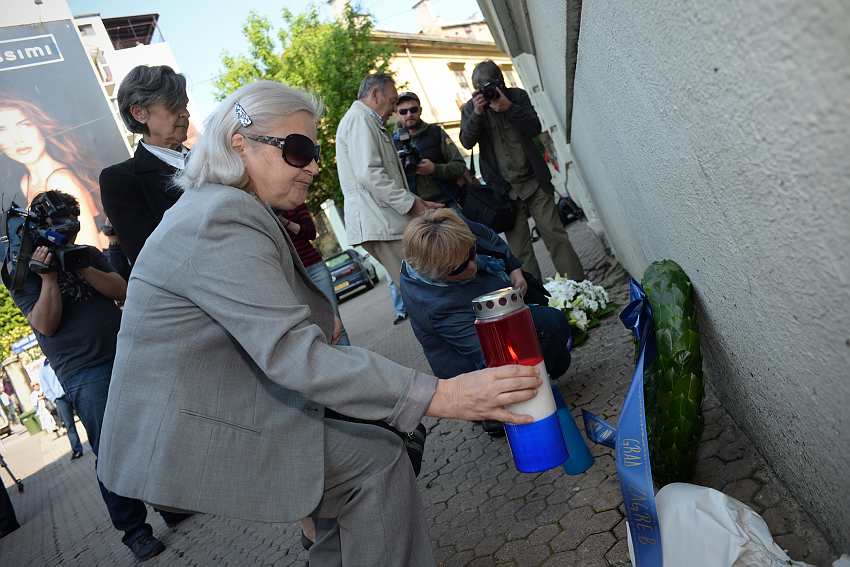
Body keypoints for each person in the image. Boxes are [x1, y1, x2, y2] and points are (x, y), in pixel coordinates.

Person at [95, 80, 542, 567]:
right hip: (191, 428)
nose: (312, 165)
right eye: (298, 150)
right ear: (239, 144)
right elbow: (293, 355)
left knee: (360, 470)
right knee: (375, 463)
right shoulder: (218, 217)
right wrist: (443, 395)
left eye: (314, 151)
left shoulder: (226, 205)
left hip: (215, 407)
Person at [4, 190, 180, 561]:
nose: (70, 225)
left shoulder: (86, 253)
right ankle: (135, 531)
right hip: (83, 371)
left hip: (124, 353)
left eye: (73, 218)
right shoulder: (22, 272)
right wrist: (49, 277)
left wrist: (80, 265)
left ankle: (169, 503)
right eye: (61, 220)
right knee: (112, 449)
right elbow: (45, 324)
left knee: (151, 433)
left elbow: (121, 290)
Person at [400, 208, 572, 389]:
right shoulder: (438, 308)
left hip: (493, 316)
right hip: (472, 375)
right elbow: (491, 358)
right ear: (436, 273)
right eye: (459, 268)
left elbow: (488, 237)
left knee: (551, 321)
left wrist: (513, 268)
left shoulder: (451, 230)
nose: (473, 266)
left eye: (472, 252)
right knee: (550, 325)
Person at [459, 60, 586, 282]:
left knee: (555, 236)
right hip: (505, 191)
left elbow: (534, 127)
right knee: (520, 252)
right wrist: (477, 114)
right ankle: (536, 297)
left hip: (534, 182)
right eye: (481, 88)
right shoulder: (471, 108)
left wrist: (508, 108)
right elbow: (466, 142)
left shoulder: (517, 96)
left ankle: (577, 286)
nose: (487, 92)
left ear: (501, 82)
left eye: (491, 85)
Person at [336, 73, 442, 286]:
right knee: (421, 289)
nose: (395, 109)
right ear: (376, 94)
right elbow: (370, 174)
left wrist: (415, 201)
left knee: (422, 286)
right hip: (381, 223)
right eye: (393, 101)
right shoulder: (360, 119)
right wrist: (411, 204)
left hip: (383, 221)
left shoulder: (365, 119)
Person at [99, 65, 191, 265]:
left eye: (185, 105)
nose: (185, 113)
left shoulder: (213, 159)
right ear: (139, 113)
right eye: (174, 106)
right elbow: (148, 259)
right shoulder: (120, 180)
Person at [0, 95, 106, 248]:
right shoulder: (26, 181)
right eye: (3, 130)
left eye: (24, 124)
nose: (17, 139)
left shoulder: (61, 181)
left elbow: (89, 251)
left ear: (40, 126)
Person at [278, 204, 350, 345]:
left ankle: (349, 358)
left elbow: (311, 233)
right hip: (293, 276)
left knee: (334, 321)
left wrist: (284, 221)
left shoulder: (293, 201)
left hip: (315, 268)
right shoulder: (261, 211)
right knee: (312, 326)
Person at [392, 91, 466, 207]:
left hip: (446, 201)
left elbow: (460, 166)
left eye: (413, 110)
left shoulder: (436, 132)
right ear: (396, 113)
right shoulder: (391, 142)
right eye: (403, 111)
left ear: (420, 110)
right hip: (416, 207)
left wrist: (434, 169)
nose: (409, 114)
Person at [40, 359, 84, 459]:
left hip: (72, 392)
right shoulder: (43, 370)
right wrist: (55, 399)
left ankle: (97, 443)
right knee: (69, 425)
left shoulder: (60, 360)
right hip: (61, 399)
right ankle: (77, 449)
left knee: (85, 417)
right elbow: (46, 388)